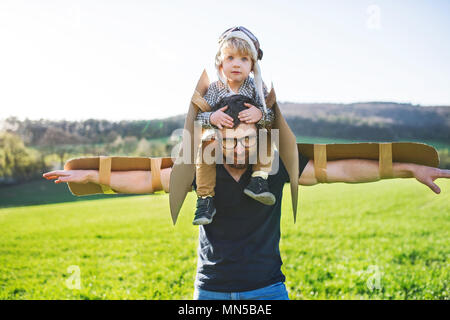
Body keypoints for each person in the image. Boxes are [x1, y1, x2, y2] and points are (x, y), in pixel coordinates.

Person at [43, 101, 450, 300]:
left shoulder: (274, 170)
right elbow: (148, 179)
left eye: (244, 139)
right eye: (228, 140)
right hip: (211, 292)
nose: (236, 146)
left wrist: (406, 169)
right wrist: (93, 175)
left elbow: (341, 171)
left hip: (266, 290)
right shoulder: (203, 171)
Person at [193, 26, 276, 226]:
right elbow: (197, 118)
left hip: (249, 141)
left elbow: (271, 116)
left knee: (267, 137)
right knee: (204, 149)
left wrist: (259, 114)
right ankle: (205, 199)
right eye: (230, 58)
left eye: (243, 59)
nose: (236, 64)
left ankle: (258, 179)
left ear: (252, 64)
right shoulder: (214, 89)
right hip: (222, 141)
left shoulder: (256, 87)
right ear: (220, 63)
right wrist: (212, 117)